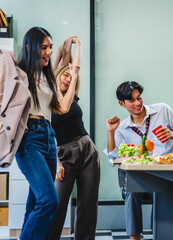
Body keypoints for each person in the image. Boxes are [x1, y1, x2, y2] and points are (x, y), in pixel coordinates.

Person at [105, 81, 173, 240]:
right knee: (131, 189)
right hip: (143, 177)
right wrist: (111, 132)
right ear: (122, 104)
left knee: (164, 195)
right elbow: (113, 159)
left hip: (168, 174)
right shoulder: (122, 128)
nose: (138, 103)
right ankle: (135, 238)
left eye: (139, 98)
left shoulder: (162, 110)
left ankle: (169, 234)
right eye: (132, 100)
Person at [15, 27, 79, 239]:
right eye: (44, 47)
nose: (49, 52)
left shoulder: (48, 77)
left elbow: (62, 107)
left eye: (50, 47)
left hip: (49, 139)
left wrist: (75, 73)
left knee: (35, 204)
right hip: (29, 138)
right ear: (29, 47)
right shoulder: (19, 75)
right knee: (49, 200)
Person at [49, 36, 100, 240]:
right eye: (65, 75)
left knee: (88, 205)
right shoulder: (48, 94)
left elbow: (76, 66)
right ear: (59, 73)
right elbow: (48, 131)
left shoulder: (72, 96)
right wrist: (57, 162)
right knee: (57, 205)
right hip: (63, 152)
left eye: (72, 77)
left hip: (87, 149)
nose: (69, 78)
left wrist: (79, 46)